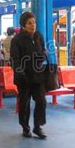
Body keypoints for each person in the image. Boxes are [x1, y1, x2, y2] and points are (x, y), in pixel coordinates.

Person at [10, 11, 47, 139]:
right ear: (23, 25)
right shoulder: (17, 40)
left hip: (38, 77)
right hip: (24, 79)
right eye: (30, 23)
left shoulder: (39, 36)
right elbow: (15, 59)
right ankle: (25, 127)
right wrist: (21, 73)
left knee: (41, 101)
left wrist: (42, 56)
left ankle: (37, 127)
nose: (33, 25)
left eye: (34, 22)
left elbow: (43, 52)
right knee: (24, 104)